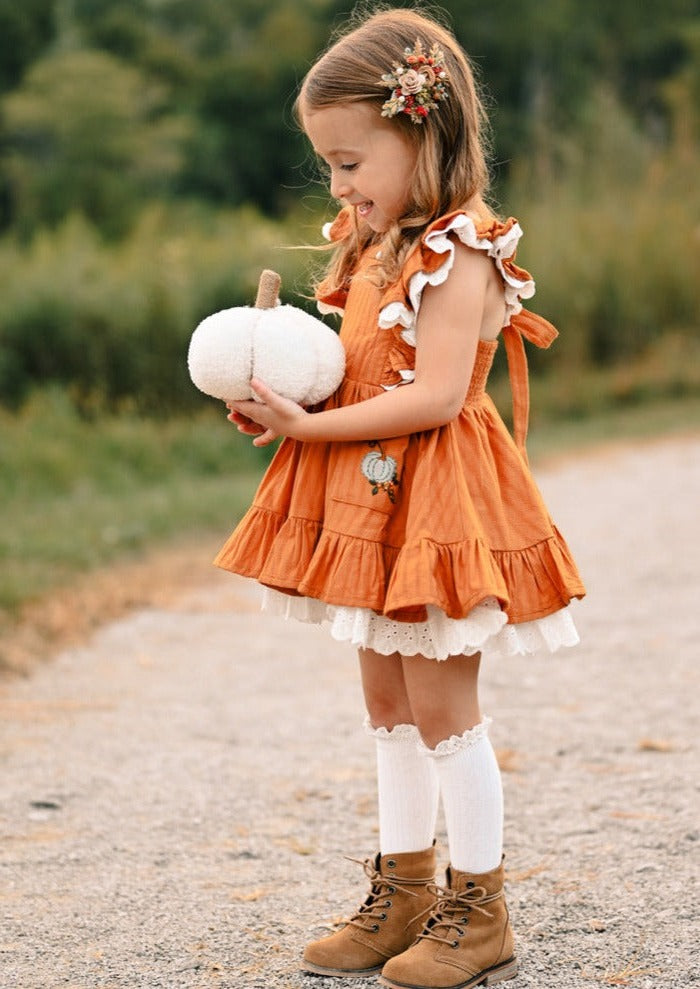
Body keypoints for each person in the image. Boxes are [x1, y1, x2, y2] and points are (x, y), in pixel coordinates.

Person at [215, 7, 585, 988]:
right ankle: (407, 886)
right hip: (373, 497)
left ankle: (480, 903)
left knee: (440, 699)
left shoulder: (458, 254)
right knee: (383, 693)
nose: (337, 186)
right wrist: (285, 401)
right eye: (327, 166)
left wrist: (314, 432)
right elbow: (351, 365)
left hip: (436, 499)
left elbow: (427, 396)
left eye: (350, 162)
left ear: (420, 134)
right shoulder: (368, 242)